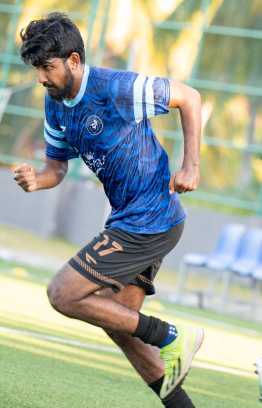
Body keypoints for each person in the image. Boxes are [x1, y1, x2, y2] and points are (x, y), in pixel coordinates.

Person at [15, 12, 204, 407]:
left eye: (47, 68)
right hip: (134, 220)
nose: (41, 79)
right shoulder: (57, 106)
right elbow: (56, 167)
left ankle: (172, 336)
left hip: (148, 218)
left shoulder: (115, 87)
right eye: (37, 69)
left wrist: (191, 165)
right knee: (117, 321)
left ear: (74, 61)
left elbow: (190, 97)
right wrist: (37, 179)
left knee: (63, 293)